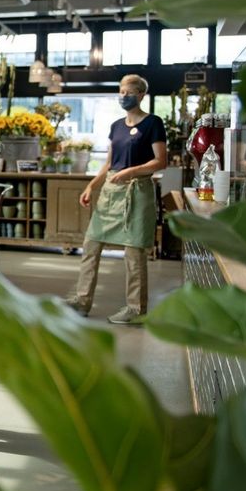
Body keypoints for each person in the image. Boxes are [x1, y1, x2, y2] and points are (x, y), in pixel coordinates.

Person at [64, 74, 167, 324]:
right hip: (111, 191)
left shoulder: (153, 123)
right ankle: (82, 301)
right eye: (121, 91)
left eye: (128, 92)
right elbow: (109, 163)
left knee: (134, 252)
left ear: (141, 95)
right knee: (91, 244)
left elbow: (160, 161)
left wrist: (131, 171)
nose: (123, 96)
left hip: (137, 192)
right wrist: (91, 186)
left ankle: (135, 309)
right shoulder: (116, 126)